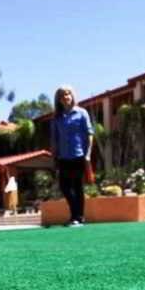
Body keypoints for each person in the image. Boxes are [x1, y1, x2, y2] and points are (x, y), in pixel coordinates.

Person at [51, 86, 94, 226]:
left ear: (72, 96)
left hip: (78, 155)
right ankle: (75, 215)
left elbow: (89, 134)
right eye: (63, 95)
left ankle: (78, 217)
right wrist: (54, 157)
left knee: (77, 186)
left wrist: (88, 154)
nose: (66, 97)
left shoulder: (82, 113)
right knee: (64, 186)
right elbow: (55, 139)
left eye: (68, 94)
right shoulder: (57, 118)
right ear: (59, 99)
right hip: (63, 157)